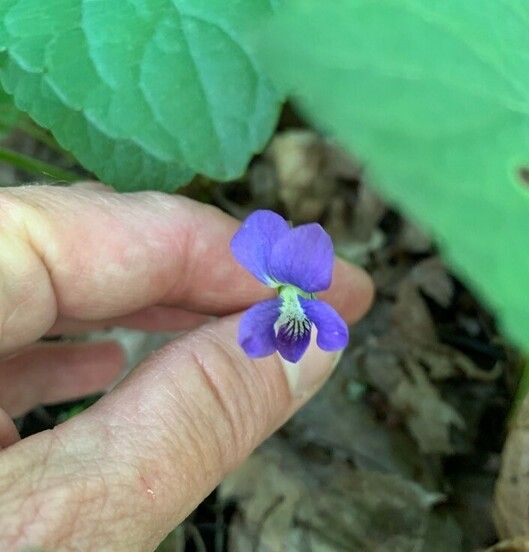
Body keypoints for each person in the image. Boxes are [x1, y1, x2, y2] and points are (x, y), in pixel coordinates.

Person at [0, 183, 373, 550]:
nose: (290, 310)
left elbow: (326, 332)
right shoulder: (284, 295)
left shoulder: (284, 289)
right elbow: (278, 334)